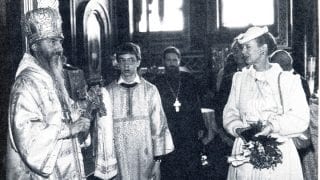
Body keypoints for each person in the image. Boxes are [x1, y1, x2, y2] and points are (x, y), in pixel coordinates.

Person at [6, 8, 90, 179]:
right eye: (52, 42)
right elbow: (28, 140)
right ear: (35, 46)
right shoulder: (26, 84)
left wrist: (83, 109)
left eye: (59, 41)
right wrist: (69, 129)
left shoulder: (52, 78)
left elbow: (64, 115)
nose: (59, 48)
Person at [223, 26, 310, 179]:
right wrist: (238, 129)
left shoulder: (288, 80)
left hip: (279, 151)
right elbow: (230, 113)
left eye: (247, 47)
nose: (243, 52)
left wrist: (272, 126)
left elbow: (300, 118)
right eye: (242, 48)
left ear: (263, 49)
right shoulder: (239, 79)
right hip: (245, 150)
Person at [106, 42, 174, 180]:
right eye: (122, 60)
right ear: (117, 64)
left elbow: (159, 127)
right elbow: (104, 132)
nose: (126, 65)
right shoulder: (108, 92)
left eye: (131, 60)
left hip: (145, 157)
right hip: (119, 159)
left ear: (138, 62)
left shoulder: (150, 90)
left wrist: (157, 161)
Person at [152, 46, 206, 179]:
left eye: (174, 60)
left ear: (179, 61)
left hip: (188, 129)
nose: (171, 63)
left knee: (191, 166)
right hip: (168, 129)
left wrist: (200, 125)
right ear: (163, 62)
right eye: (168, 60)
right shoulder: (157, 82)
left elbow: (196, 103)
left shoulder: (188, 79)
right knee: (170, 166)